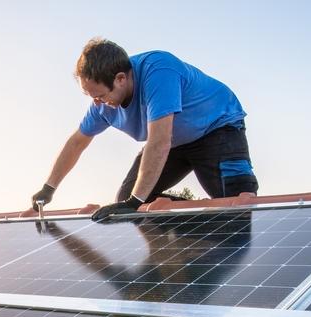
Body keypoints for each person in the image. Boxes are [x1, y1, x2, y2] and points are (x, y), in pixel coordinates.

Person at [31, 38, 258, 221]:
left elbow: (159, 141)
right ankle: (193, 236)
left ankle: (220, 218)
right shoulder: (101, 106)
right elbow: (77, 142)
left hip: (216, 128)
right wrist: (48, 188)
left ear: (120, 79)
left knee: (237, 204)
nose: (97, 103)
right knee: (127, 200)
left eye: (100, 95)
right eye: (92, 97)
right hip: (174, 144)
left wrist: (135, 202)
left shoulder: (158, 71)